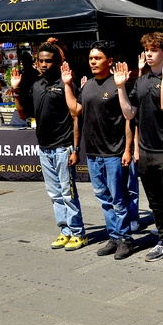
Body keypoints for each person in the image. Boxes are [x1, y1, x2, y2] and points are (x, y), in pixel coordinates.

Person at [116, 32, 163, 264]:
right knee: (155, 201)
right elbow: (130, 114)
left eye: (154, 50)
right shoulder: (142, 81)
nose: (148, 53)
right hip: (146, 152)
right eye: (146, 49)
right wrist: (120, 88)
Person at [62, 40, 134, 261]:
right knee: (103, 197)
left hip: (114, 152)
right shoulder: (88, 86)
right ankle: (113, 236)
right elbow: (76, 109)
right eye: (91, 58)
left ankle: (125, 239)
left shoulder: (118, 84)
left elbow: (129, 120)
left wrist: (128, 149)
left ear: (109, 61)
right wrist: (67, 84)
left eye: (98, 58)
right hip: (93, 153)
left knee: (118, 199)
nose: (93, 62)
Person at [14, 41, 87, 251]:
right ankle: (65, 231)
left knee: (68, 193)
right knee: (54, 194)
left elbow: (75, 117)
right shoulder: (36, 85)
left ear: (57, 63)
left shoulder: (67, 84)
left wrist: (75, 148)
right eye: (41, 61)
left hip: (63, 147)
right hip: (44, 148)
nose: (44, 64)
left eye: (48, 61)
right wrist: (16, 90)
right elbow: (23, 114)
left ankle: (78, 233)